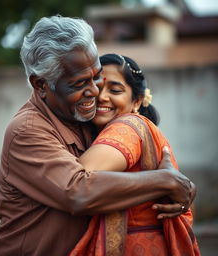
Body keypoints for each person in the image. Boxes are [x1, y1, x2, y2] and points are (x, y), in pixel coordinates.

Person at [0, 16, 196, 256]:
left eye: (96, 75)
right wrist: (165, 181)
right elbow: (79, 193)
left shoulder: (86, 116)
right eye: (79, 83)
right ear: (40, 85)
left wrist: (178, 188)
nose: (95, 91)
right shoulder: (27, 130)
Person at [69, 54, 200, 256]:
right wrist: (163, 181)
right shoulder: (139, 130)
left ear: (137, 101)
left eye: (115, 90)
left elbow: (74, 183)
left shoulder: (127, 126)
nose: (102, 96)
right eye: (96, 87)